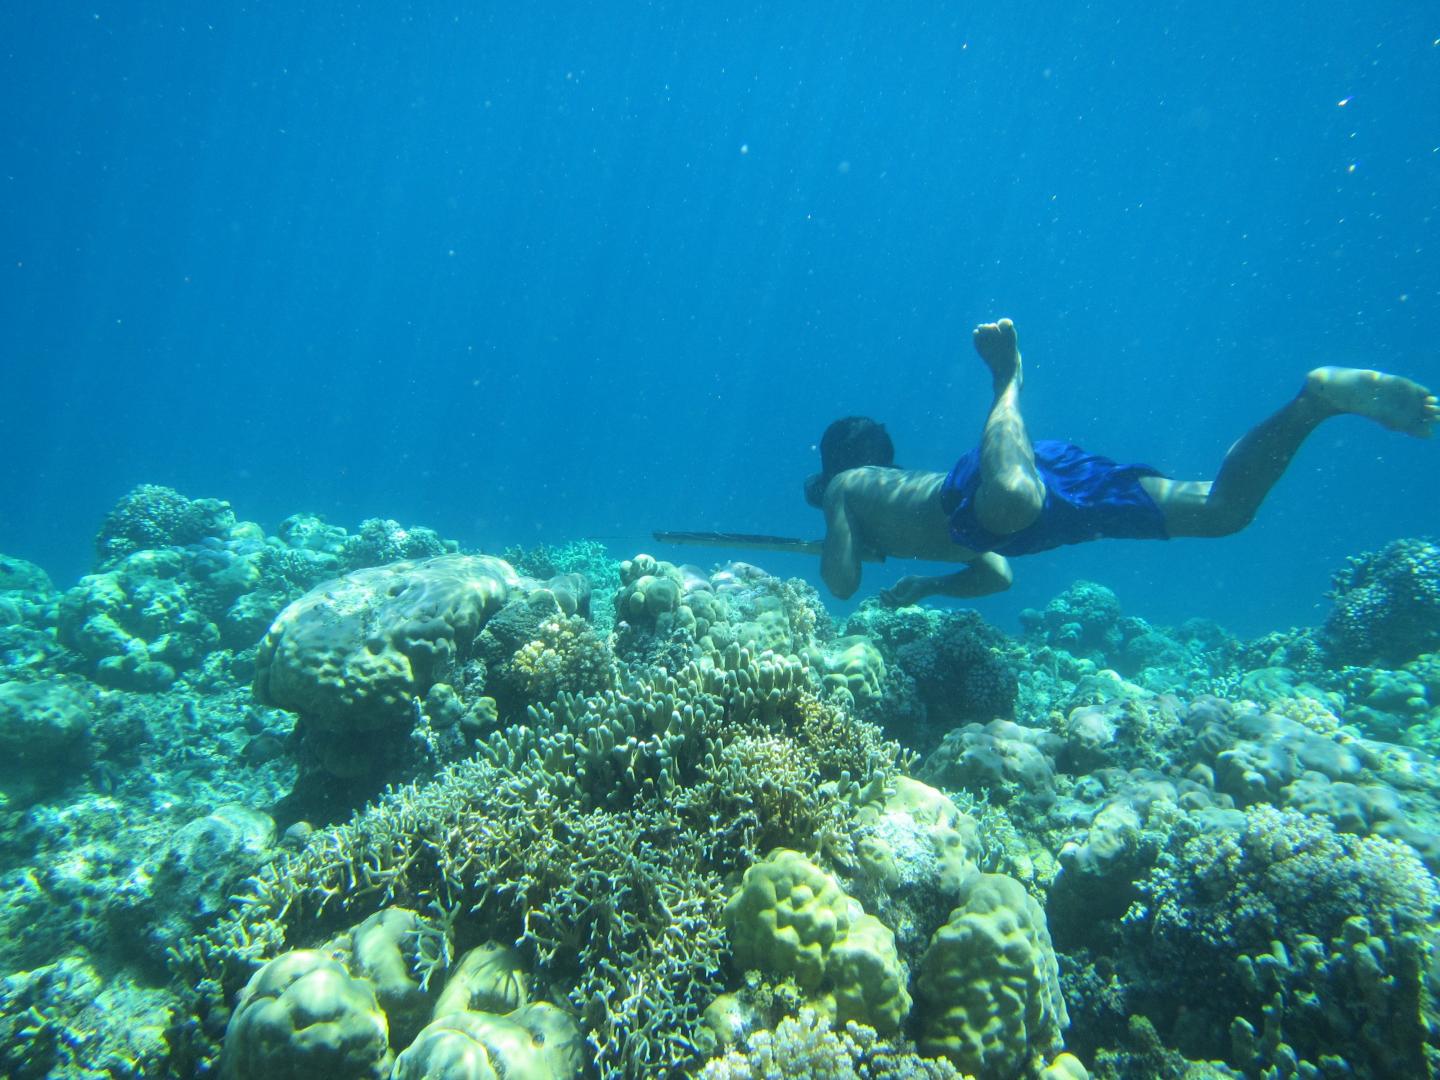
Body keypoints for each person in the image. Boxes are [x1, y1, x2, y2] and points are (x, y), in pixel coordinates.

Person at [804, 319, 1438, 607]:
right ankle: (1314, 404)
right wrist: (930, 586)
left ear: (838, 463)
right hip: (1027, 505)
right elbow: (998, 575)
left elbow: (840, 584)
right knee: (1224, 510)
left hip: (986, 491)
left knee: (1013, 501)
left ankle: (1007, 379)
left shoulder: (849, 486)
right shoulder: (878, 487)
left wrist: (846, 535)